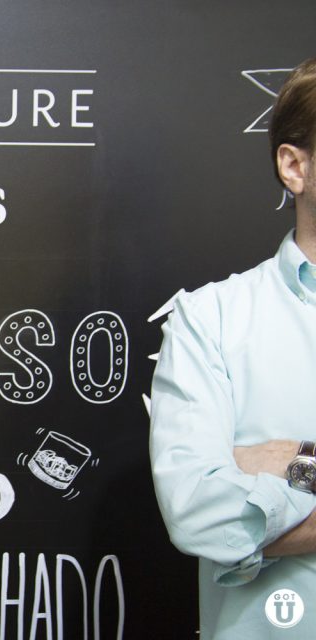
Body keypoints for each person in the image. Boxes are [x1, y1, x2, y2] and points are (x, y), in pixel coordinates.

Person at [150, 57, 316, 638]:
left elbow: (229, 513)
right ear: (294, 166)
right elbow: (196, 511)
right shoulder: (210, 320)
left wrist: (292, 465)